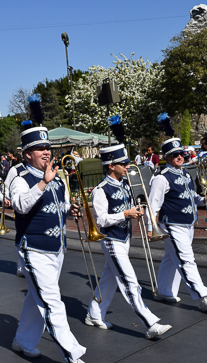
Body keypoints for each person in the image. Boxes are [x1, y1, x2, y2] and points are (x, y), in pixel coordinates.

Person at [10, 126, 85, 362]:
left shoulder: (58, 179)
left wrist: (70, 211)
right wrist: (43, 182)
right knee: (53, 302)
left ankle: (23, 340)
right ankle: (73, 355)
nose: (45, 152)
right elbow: (20, 205)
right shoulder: (20, 179)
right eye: (39, 148)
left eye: (47, 148)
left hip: (57, 248)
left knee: (37, 299)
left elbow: (58, 208)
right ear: (27, 154)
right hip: (33, 248)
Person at [86, 144, 172, 339]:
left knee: (108, 280)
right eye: (123, 163)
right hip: (111, 239)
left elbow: (127, 208)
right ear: (110, 165)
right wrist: (125, 214)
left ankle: (94, 314)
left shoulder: (125, 184)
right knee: (130, 282)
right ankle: (149, 323)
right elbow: (101, 220)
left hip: (124, 238)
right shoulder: (101, 190)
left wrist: (136, 211)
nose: (127, 166)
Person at [148, 138, 207, 312]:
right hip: (172, 224)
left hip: (187, 224)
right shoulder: (161, 178)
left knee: (171, 258)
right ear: (167, 157)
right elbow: (153, 205)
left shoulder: (186, 174)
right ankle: (204, 297)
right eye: (175, 155)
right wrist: (150, 228)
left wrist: (205, 200)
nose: (180, 157)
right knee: (186, 259)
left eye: (182, 154)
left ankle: (164, 290)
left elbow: (192, 196)